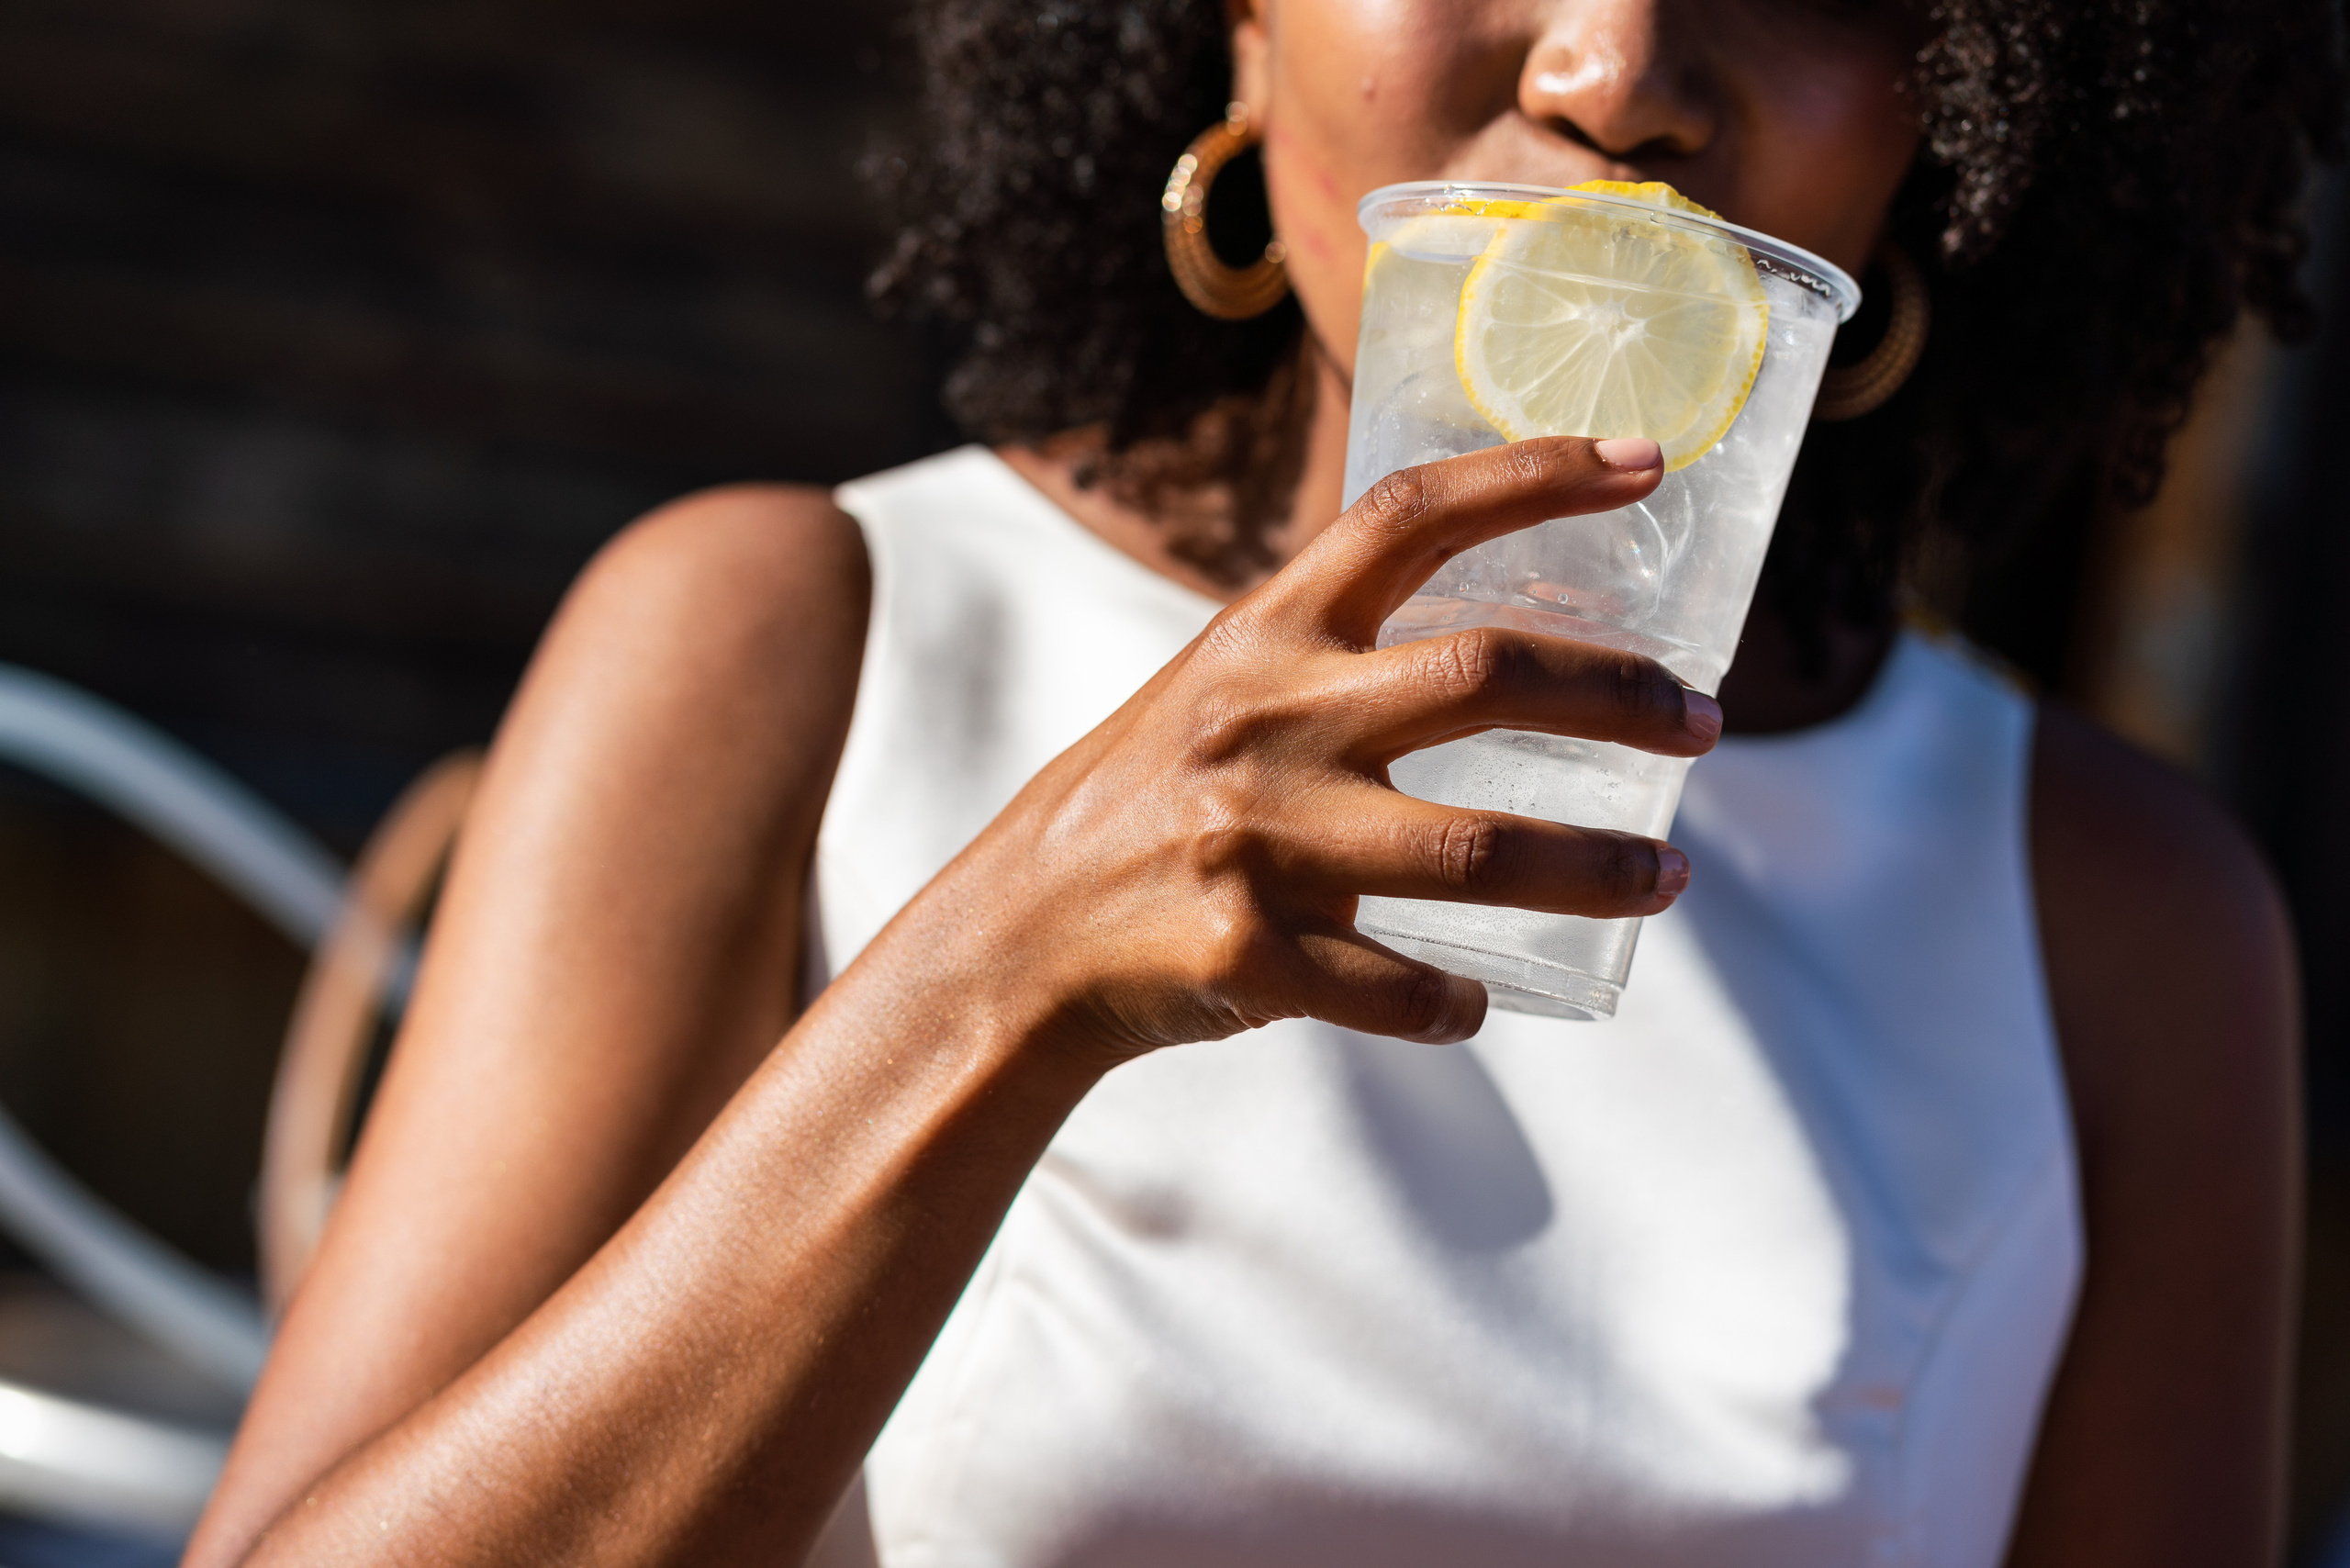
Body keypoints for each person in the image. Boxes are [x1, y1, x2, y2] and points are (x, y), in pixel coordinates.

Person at [185, 0, 2341, 1562]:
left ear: (1960, 100)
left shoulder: (2112, 924)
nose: (1615, 70)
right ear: (1239, 22)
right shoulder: (797, 643)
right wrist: (1002, 974)